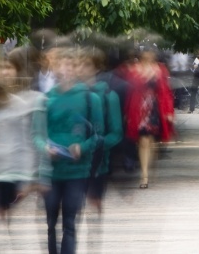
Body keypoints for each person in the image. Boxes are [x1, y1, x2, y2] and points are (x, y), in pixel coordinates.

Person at [35, 48, 104, 254]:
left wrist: (81, 147)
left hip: (77, 172)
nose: (66, 69)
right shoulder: (45, 100)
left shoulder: (91, 100)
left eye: (71, 65)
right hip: (51, 172)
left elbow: (98, 134)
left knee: (70, 224)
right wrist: (45, 147)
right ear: (54, 68)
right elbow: (36, 134)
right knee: (50, 224)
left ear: (77, 69)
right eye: (61, 65)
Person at [0, 57, 41, 228]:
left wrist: (27, 176)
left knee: (6, 213)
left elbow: (26, 140)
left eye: (8, 68)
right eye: (0, 68)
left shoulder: (21, 102)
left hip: (13, 169)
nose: (4, 72)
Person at [78, 47, 122, 228]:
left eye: (86, 64)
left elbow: (116, 133)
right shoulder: (70, 95)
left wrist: (98, 146)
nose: (80, 68)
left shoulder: (108, 96)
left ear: (97, 68)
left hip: (97, 163)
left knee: (92, 208)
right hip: (71, 162)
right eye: (78, 64)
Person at [120, 47, 174, 189]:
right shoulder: (134, 70)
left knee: (151, 141)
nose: (149, 55)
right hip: (139, 109)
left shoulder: (160, 69)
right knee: (143, 140)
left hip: (155, 109)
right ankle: (144, 175)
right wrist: (127, 112)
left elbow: (166, 92)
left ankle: (149, 167)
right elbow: (129, 92)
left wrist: (169, 112)